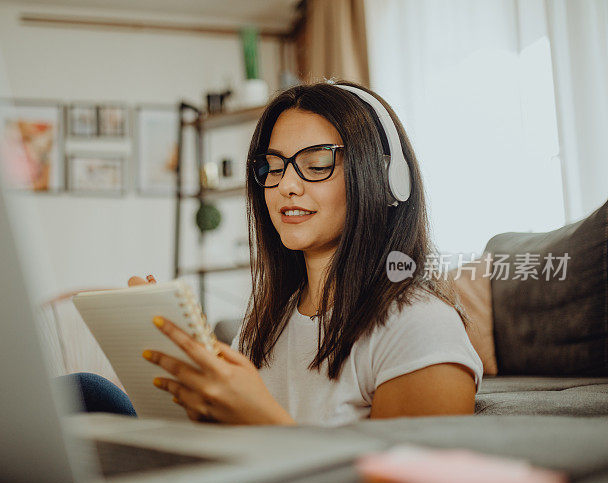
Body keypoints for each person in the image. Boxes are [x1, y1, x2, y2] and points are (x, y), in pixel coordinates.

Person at [119, 80, 483, 426]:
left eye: (317, 165)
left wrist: (262, 423)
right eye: (273, 168)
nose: (286, 186)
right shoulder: (263, 322)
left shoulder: (419, 325)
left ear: (386, 178)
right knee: (89, 392)